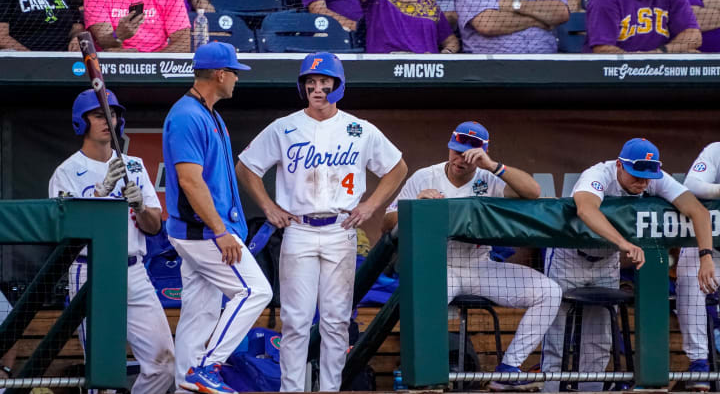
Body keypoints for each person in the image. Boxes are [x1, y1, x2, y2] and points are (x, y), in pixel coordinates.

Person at [236, 52, 407, 391]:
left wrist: (372, 205)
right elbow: (247, 167)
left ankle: (330, 389)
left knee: (336, 322)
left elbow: (397, 167)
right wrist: (268, 206)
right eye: (310, 83)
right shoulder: (285, 126)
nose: (317, 89)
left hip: (340, 230)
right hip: (298, 229)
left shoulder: (358, 128)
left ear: (338, 86)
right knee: (296, 321)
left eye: (324, 83)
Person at [382, 121, 562, 391]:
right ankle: (427, 377)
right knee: (422, 307)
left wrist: (493, 166)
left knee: (549, 292)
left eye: (467, 155)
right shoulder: (425, 176)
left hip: (480, 267)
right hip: (438, 266)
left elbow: (532, 192)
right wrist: (415, 205)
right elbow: (387, 223)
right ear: (449, 146)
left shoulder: (489, 178)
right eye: (456, 151)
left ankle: (507, 370)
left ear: (480, 154)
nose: (460, 159)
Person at [541, 138, 715, 392]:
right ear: (621, 165)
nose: (643, 182)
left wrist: (706, 255)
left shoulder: (655, 178)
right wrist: (623, 243)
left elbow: (698, 211)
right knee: (556, 338)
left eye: (647, 176)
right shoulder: (599, 174)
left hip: (606, 261)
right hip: (569, 257)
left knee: (599, 340)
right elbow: (586, 210)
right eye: (636, 174)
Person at [48, 89, 175, 394]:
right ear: (82, 122)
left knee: (165, 364)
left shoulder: (133, 165)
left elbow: (154, 225)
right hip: (90, 270)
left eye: (113, 113)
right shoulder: (65, 172)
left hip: (134, 269)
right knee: (101, 374)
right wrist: (99, 194)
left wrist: (140, 206)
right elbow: (63, 233)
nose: (108, 120)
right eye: (98, 115)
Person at [162, 41, 272, 394]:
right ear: (220, 74)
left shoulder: (209, 113)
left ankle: (184, 386)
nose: (237, 79)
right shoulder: (186, 115)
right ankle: (207, 367)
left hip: (204, 230)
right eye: (235, 72)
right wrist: (220, 231)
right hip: (204, 232)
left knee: (199, 316)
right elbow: (190, 181)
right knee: (255, 291)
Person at [676, 142, 720, 391]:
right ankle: (699, 363)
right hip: (708, 246)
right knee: (690, 280)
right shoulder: (716, 150)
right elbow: (692, 185)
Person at [585, 0, 701, 53]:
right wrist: (639, 62)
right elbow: (603, 49)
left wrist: (660, 53)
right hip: (613, 74)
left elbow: (694, 36)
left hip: (657, 69)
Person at [455, 0, 569, 53]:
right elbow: (488, 24)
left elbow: (561, 12)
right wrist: (537, 20)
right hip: (495, 69)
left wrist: (515, 4)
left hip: (546, 64)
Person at [84, 0, 191, 52]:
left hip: (158, 66)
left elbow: (183, 44)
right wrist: (119, 35)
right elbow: (104, 42)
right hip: (116, 65)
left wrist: (144, 62)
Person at [359, 0, 460, 53]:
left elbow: (452, 42)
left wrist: (445, 54)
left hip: (426, 73)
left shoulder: (429, 2)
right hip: (386, 70)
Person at [0, 0, 84, 51]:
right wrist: (32, 57)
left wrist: (76, 37)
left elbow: (76, 25)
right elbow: (2, 37)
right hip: (21, 61)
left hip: (64, 57)